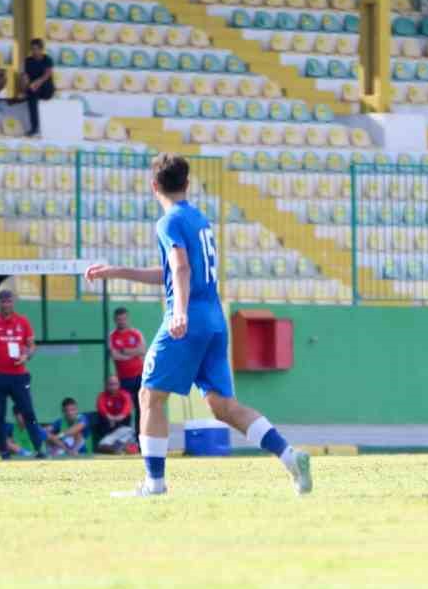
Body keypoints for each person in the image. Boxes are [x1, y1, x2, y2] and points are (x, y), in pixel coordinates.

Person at [83, 152, 312, 497]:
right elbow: (172, 272)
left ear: (153, 186)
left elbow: (181, 269)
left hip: (189, 319)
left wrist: (179, 312)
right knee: (224, 406)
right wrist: (117, 271)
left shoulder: (168, 222)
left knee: (149, 396)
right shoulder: (199, 219)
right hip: (214, 320)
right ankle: (289, 455)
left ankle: (154, 484)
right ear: (187, 184)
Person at [0, 288, 46, 460]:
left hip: (19, 376)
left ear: (13, 302)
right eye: (2, 301)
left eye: (9, 301)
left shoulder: (23, 322)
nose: (6, 304)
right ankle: (4, 451)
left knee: (28, 412)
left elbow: (32, 346)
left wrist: (27, 356)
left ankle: (39, 448)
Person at [107, 307, 146, 428]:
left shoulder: (136, 333)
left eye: (124, 319)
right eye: (119, 319)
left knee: (141, 409)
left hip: (139, 377)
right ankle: (126, 440)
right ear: (115, 320)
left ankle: (140, 439)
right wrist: (133, 353)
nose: (122, 321)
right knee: (125, 410)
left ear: (127, 319)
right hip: (123, 380)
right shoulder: (112, 336)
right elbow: (115, 355)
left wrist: (124, 350)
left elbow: (143, 350)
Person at [93, 374, 137, 454]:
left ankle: (121, 448)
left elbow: (126, 409)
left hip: (125, 429)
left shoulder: (124, 395)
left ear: (119, 384)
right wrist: (110, 418)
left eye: (115, 384)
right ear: (106, 385)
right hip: (111, 432)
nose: (113, 387)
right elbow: (102, 409)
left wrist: (115, 419)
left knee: (130, 432)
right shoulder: (102, 396)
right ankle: (118, 449)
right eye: (111, 384)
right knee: (102, 445)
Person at [22, 37, 55, 136]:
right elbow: (26, 75)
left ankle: (35, 127)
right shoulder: (28, 60)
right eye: (32, 49)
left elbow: (47, 75)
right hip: (34, 88)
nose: (34, 51)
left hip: (46, 87)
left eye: (36, 49)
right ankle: (34, 127)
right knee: (31, 94)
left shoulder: (47, 59)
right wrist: (27, 84)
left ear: (41, 49)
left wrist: (36, 83)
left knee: (33, 90)